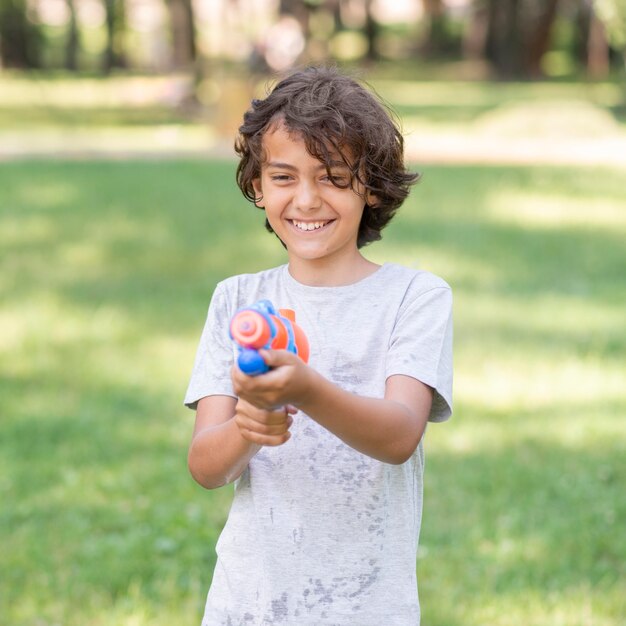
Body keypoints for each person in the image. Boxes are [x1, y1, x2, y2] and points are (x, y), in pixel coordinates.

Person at [184, 66, 453, 625]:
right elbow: (208, 467)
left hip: (367, 606)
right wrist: (248, 426)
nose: (306, 199)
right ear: (258, 185)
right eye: (283, 177)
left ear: (373, 185)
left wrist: (306, 389)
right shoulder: (239, 301)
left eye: (332, 176)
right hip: (248, 603)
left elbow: (400, 435)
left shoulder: (413, 297)